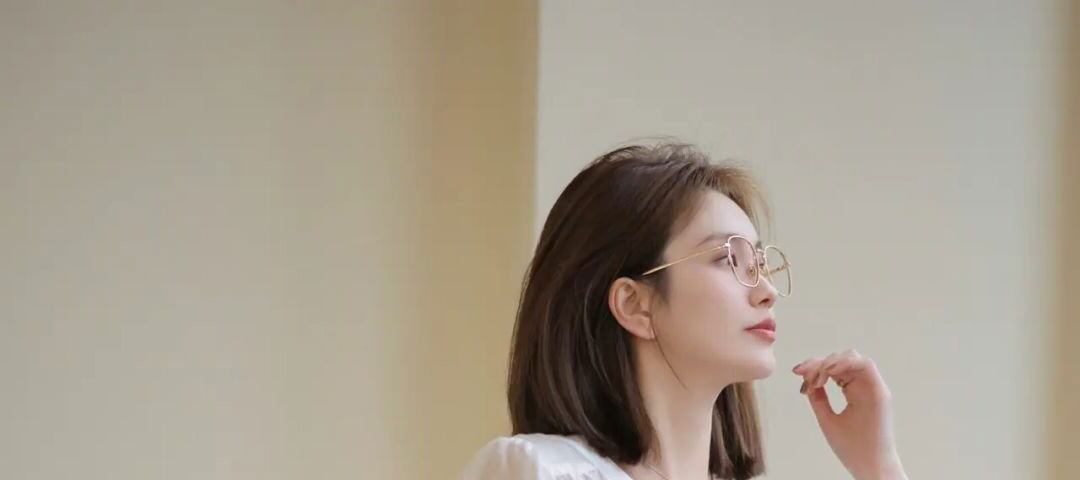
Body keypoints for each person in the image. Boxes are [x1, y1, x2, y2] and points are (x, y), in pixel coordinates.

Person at [461, 142, 907, 480]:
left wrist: (878, 467)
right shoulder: (538, 470)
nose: (767, 291)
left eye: (759, 264)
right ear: (633, 304)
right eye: (728, 260)